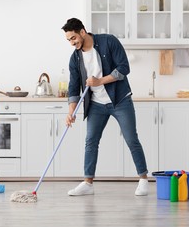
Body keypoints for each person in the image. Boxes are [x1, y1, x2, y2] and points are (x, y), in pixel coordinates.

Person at [61, 18, 149, 196]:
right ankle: (88, 183)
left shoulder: (108, 41)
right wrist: (71, 112)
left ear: (82, 32)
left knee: (131, 139)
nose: (72, 43)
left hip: (120, 100)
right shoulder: (75, 58)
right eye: (69, 40)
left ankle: (143, 179)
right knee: (91, 141)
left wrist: (100, 81)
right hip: (96, 104)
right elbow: (73, 86)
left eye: (73, 38)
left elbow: (124, 68)